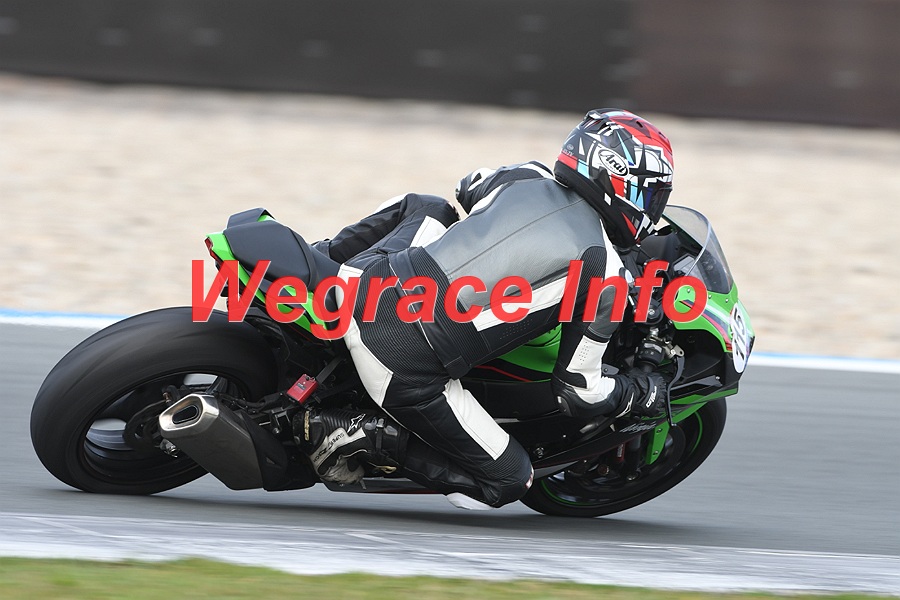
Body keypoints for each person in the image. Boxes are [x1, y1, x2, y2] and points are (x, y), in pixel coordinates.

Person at [293, 109, 676, 510]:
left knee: (428, 207)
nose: (652, 209)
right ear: (622, 181)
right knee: (511, 480)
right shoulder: (607, 276)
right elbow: (578, 393)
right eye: (653, 196)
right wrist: (639, 392)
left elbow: (468, 186)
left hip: (367, 280)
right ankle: (356, 435)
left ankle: (318, 260)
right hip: (400, 359)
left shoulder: (527, 175)